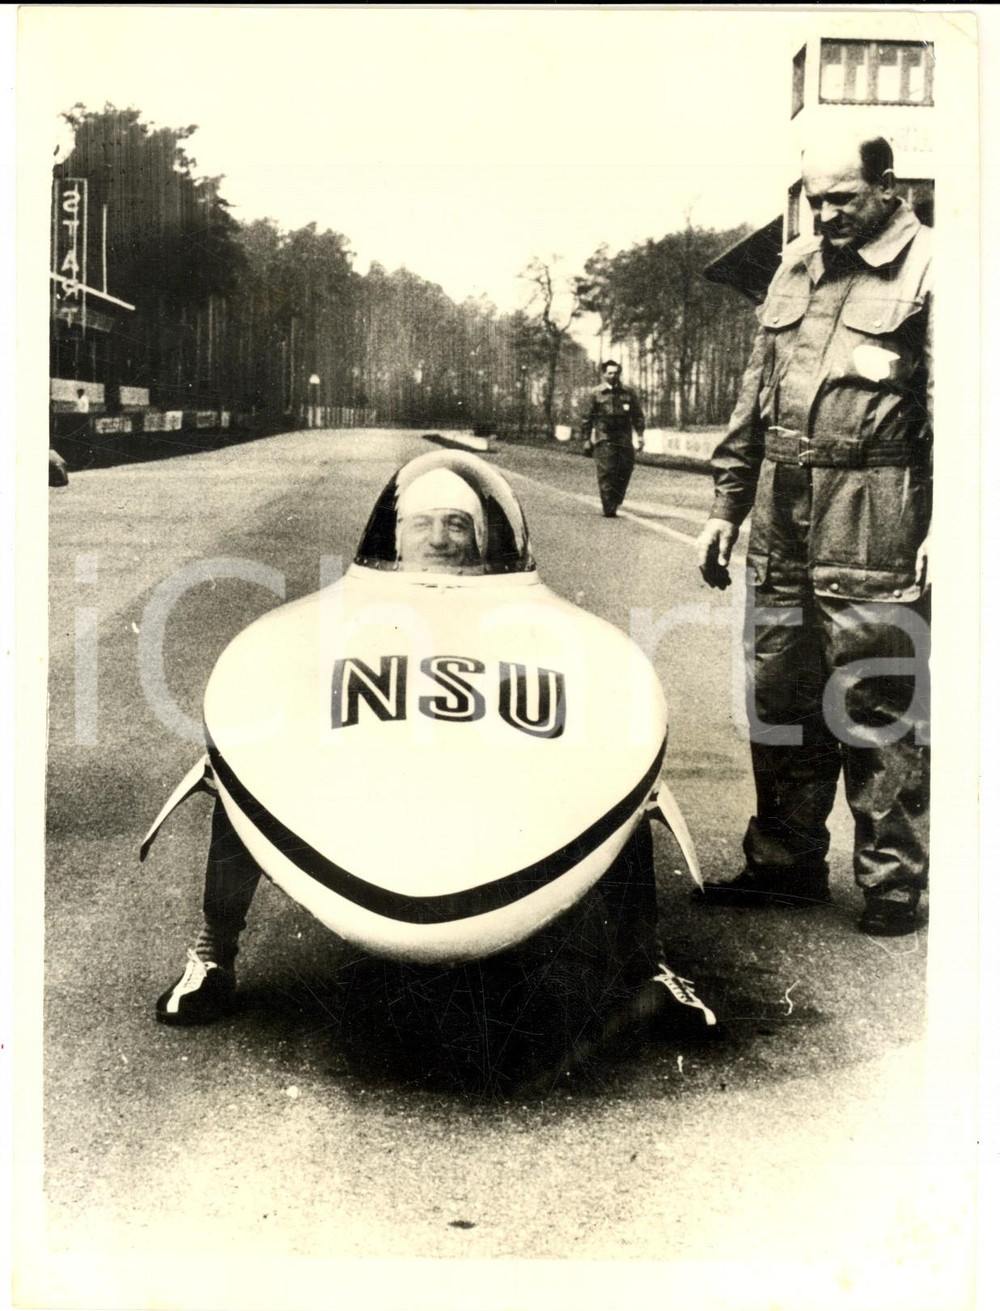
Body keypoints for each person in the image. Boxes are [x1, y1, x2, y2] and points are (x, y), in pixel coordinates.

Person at [156, 453, 714, 1039]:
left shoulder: (544, 623)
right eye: (422, 524)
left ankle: (649, 966)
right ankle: (212, 954)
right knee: (247, 761)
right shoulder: (333, 618)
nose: (440, 538)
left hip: (486, 790)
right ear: (395, 534)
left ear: (483, 536)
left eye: (456, 524)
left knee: (616, 773)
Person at [695, 127, 932, 938]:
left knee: (874, 694)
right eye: (815, 198)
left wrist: (955, 524)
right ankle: (784, 865)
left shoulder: (936, 268)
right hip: (783, 510)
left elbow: (969, 414)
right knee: (781, 694)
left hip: (874, 506)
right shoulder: (794, 265)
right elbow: (752, 399)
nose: (825, 213)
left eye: (842, 198)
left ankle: (893, 884)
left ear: (887, 185)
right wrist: (727, 507)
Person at [578, 359, 646, 517]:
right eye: (610, 373)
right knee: (607, 471)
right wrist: (586, 439)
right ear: (604, 374)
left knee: (625, 469)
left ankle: (616, 498)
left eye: (616, 373)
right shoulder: (595, 393)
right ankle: (609, 506)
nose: (613, 376)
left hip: (624, 436)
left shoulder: (628, 392)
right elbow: (586, 418)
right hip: (605, 437)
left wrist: (640, 435)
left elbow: (637, 416)